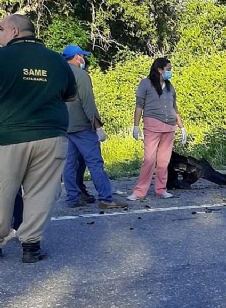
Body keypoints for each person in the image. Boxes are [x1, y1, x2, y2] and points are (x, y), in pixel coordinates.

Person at [0, 14, 77, 263]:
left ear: (13, 31)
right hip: (50, 135)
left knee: (3, 190)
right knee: (41, 192)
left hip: (8, 135)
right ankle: (31, 246)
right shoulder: (57, 61)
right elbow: (69, 97)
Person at [62, 44, 127, 210]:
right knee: (95, 163)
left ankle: (73, 198)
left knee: (69, 165)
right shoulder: (81, 75)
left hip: (63, 126)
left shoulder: (57, 74)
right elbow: (88, 102)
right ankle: (106, 198)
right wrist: (98, 126)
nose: (84, 59)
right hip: (82, 126)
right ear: (77, 57)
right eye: (82, 56)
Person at [128, 57, 187, 201]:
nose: (170, 72)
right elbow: (139, 105)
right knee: (149, 160)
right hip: (152, 125)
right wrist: (135, 126)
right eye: (168, 69)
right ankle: (139, 192)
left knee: (163, 161)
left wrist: (182, 126)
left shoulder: (169, 86)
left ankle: (161, 189)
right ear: (160, 69)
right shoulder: (145, 84)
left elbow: (174, 108)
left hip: (169, 126)